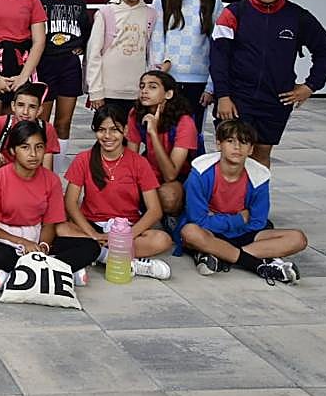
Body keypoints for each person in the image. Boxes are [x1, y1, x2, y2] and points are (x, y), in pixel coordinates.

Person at [211, 0, 326, 166]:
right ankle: (230, 200)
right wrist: (223, 95)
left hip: (275, 100)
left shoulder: (297, 16)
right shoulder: (233, 13)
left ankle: (257, 200)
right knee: (234, 155)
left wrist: (311, 85)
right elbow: (218, 58)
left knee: (261, 154)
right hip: (236, 98)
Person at [177, 119, 306, 283]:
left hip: (244, 233)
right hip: (212, 232)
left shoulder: (259, 176)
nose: (237, 147)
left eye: (244, 143)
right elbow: (198, 219)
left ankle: (222, 255)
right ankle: (255, 263)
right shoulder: (201, 173)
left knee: (298, 238)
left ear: (251, 149)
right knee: (190, 232)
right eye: (230, 141)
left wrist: (221, 220)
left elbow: (258, 222)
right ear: (219, 144)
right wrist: (239, 218)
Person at [0, 121, 102, 288]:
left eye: (39, 147)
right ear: (12, 151)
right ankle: (59, 270)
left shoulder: (51, 180)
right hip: (7, 238)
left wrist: (43, 246)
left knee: (91, 247)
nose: (33, 154)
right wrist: (23, 243)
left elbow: (49, 224)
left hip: (38, 236)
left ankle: (22, 273)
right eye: (25, 147)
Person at [58, 107, 173, 280]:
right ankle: (123, 261)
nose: (107, 136)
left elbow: (155, 210)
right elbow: (70, 203)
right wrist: (93, 234)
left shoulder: (138, 162)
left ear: (125, 131)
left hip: (127, 227)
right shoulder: (84, 159)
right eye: (101, 130)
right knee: (60, 228)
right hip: (91, 226)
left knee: (162, 239)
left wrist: (126, 237)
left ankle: (100, 254)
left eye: (114, 130)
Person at [150, 0, 223, 149]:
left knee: (192, 135)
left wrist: (211, 85)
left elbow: (218, 47)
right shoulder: (162, 0)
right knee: (164, 132)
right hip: (169, 78)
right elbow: (156, 40)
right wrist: (158, 77)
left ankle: (190, 179)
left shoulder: (213, 1)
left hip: (198, 81)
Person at [34, 0, 90, 155]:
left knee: (63, 123)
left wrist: (82, 46)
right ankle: (40, 171)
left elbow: (87, 30)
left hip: (69, 65)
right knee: (41, 124)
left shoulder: (78, 2)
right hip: (44, 64)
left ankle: (56, 173)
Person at [86, 0, 154, 121]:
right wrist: (95, 91)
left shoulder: (151, 14)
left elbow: (151, 53)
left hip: (138, 93)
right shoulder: (106, 13)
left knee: (132, 139)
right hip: (108, 92)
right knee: (110, 136)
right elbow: (93, 54)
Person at [126, 70, 197, 215]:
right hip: (150, 169)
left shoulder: (184, 122)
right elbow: (131, 157)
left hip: (181, 175)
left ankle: (171, 222)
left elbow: (170, 174)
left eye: (152, 87)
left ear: (168, 94)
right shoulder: (136, 113)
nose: (144, 91)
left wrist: (153, 133)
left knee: (168, 197)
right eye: (142, 86)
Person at [0, 84, 61, 176]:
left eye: (32, 107)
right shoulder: (4, 123)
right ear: (13, 106)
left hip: (32, 172)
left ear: (39, 110)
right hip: (5, 171)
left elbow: (47, 167)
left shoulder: (46, 129)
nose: (25, 112)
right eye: (21, 105)